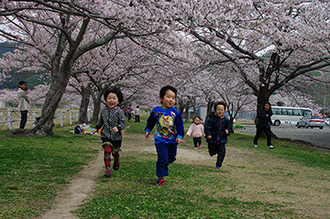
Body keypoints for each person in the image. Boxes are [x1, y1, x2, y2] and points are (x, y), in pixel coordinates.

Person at [145, 85, 185, 186]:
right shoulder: (156, 111)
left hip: (172, 141)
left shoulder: (176, 113)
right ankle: (160, 177)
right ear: (161, 98)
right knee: (162, 159)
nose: (171, 100)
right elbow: (150, 122)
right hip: (160, 140)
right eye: (168, 97)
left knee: (171, 158)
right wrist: (148, 130)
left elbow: (180, 126)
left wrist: (179, 136)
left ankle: (167, 162)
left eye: (173, 98)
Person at [92, 87, 127, 177]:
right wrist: (96, 128)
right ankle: (108, 169)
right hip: (106, 134)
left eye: (114, 98)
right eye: (109, 98)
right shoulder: (103, 111)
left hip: (116, 137)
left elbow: (123, 122)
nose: (111, 100)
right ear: (106, 100)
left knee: (115, 152)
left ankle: (116, 160)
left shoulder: (119, 111)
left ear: (118, 101)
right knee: (107, 150)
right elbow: (101, 121)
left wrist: (118, 128)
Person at [204, 102, 231, 170]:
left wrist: (228, 131)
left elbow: (229, 127)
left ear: (224, 111)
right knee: (212, 152)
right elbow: (207, 127)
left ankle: (219, 164)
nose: (220, 111)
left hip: (222, 139)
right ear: (215, 111)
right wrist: (208, 134)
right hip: (212, 139)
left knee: (222, 152)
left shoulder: (226, 120)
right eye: (218, 110)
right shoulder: (211, 120)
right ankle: (213, 151)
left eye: (222, 110)